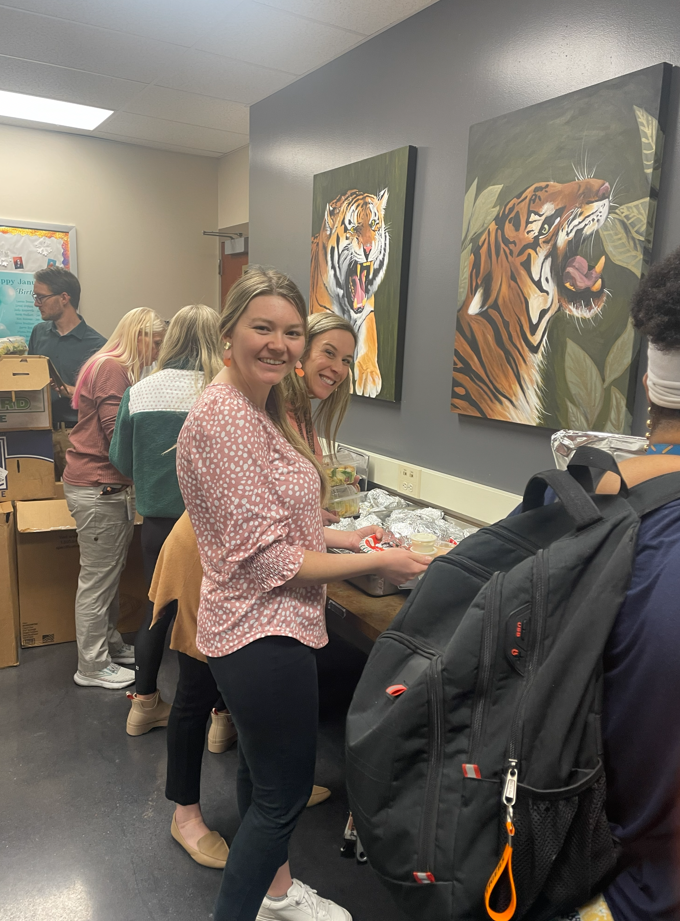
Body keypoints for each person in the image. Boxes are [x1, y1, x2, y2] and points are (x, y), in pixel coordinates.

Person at [176, 267, 430, 921]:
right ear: (228, 329)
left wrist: (346, 535)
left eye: (291, 331)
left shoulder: (251, 410)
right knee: (282, 798)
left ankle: (276, 894)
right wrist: (387, 560)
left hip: (255, 626)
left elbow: (275, 523)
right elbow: (271, 562)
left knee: (263, 780)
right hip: (263, 632)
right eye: (264, 327)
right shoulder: (226, 421)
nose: (280, 344)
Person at [146, 312, 359, 869]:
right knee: (197, 680)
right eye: (324, 352)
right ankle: (186, 814)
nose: (334, 367)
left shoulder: (294, 410)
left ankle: (267, 775)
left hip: (249, 554)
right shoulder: (256, 402)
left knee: (234, 686)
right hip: (209, 555)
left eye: (345, 359)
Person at [108, 304, 224, 734]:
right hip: (209, 526)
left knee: (159, 610)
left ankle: (143, 703)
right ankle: (220, 716)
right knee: (216, 615)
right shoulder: (223, 391)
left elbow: (120, 458)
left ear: (171, 338)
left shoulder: (140, 391)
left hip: (157, 523)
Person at [63, 307, 166, 690]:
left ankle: (108, 646)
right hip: (99, 487)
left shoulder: (104, 363)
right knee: (97, 580)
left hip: (100, 487)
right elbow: (115, 435)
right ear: (138, 336)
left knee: (106, 575)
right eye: (154, 343)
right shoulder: (112, 368)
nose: (156, 352)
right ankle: (91, 666)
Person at [28, 267, 106, 479]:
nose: (37, 303)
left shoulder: (98, 346)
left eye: (41, 297)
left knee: (72, 502)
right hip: (36, 433)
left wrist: (74, 392)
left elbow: (106, 401)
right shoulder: (38, 333)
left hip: (74, 435)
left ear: (64, 298)